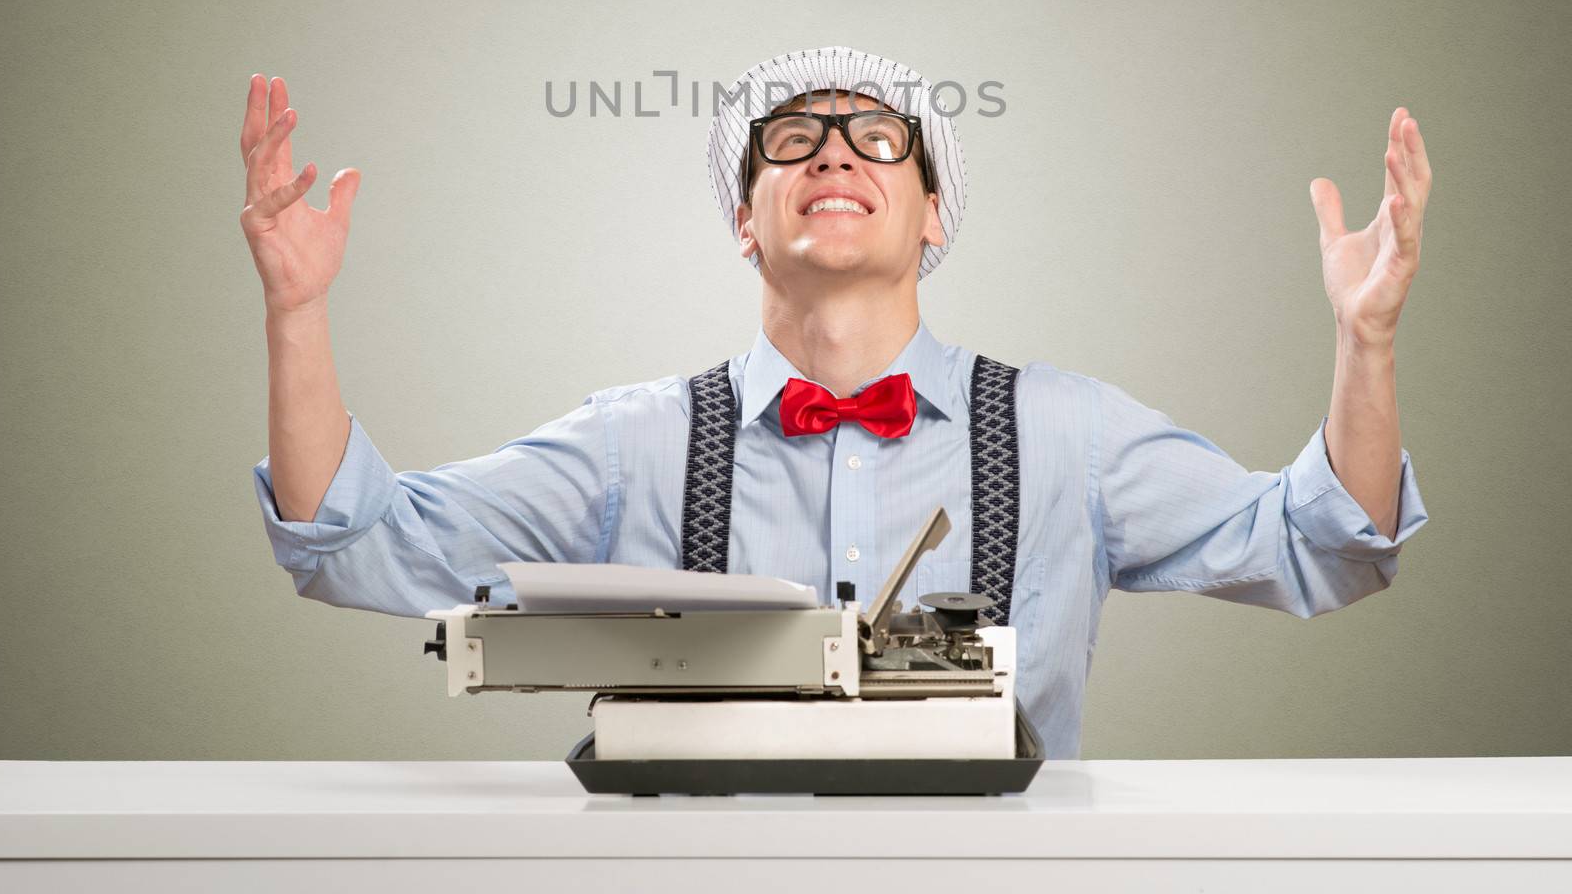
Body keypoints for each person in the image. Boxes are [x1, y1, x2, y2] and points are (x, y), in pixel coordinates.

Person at [244, 45, 1432, 760]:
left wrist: (1362, 338)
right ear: (741, 219)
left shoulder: (1069, 432)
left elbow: (1320, 545)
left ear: (932, 214)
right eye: (792, 139)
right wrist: (297, 310)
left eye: (877, 136)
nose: (832, 152)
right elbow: (356, 542)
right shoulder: (632, 443)